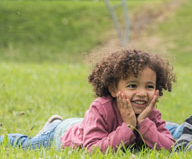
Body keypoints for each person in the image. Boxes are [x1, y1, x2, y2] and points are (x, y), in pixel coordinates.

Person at [1, 49, 176, 152]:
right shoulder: (101, 108)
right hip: (62, 134)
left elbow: (170, 148)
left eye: (149, 87)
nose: (142, 93)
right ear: (114, 88)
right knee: (28, 144)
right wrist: (128, 127)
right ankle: (53, 125)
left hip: (83, 125)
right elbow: (93, 150)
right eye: (132, 86)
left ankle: (57, 122)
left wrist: (144, 123)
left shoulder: (150, 114)